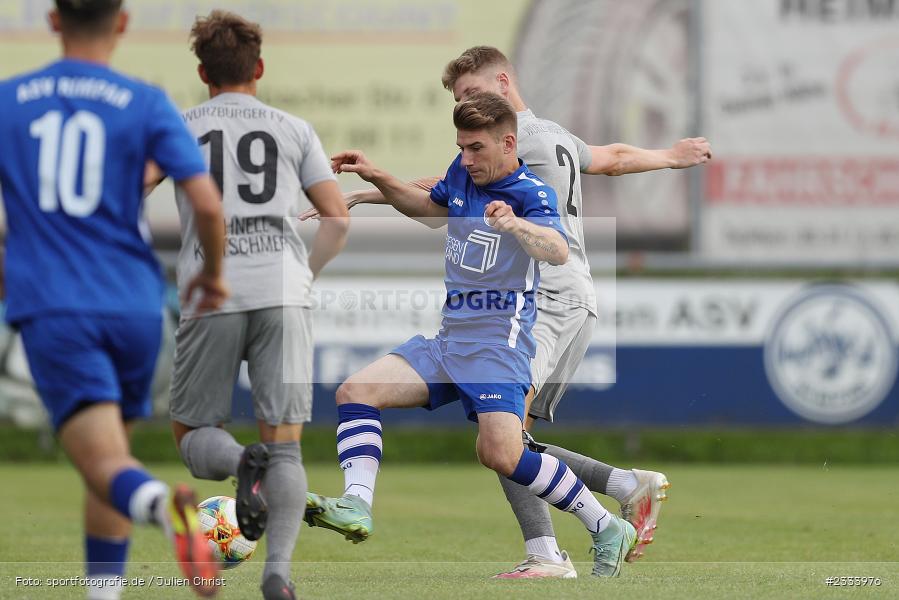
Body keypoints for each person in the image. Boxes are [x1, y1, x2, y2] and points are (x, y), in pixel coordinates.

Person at [302, 45, 712, 578]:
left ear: (502, 96)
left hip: (531, 310)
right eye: (462, 135)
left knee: (504, 446)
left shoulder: (524, 166)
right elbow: (603, 160)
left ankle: (569, 538)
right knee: (379, 399)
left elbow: (548, 239)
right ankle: (360, 503)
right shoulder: (529, 143)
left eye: (472, 97)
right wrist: (374, 185)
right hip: (481, 327)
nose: (467, 150)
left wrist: (513, 225)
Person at [0, 1, 227, 598]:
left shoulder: (10, 100)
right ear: (121, 23)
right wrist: (214, 275)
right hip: (133, 305)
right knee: (110, 455)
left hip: (57, 304)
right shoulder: (146, 101)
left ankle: (162, 507)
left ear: (53, 21)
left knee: (104, 465)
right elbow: (206, 205)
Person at [148, 10, 350, 600]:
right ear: (258, 67)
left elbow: (133, 188)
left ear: (202, 71)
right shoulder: (294, 128)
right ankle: (279, 577)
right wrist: (304, 275)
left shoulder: (179, 127)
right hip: (285, 293)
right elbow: (336, 218)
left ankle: (241, 462)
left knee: (191, 434)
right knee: (286, 447)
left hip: (212, 288)